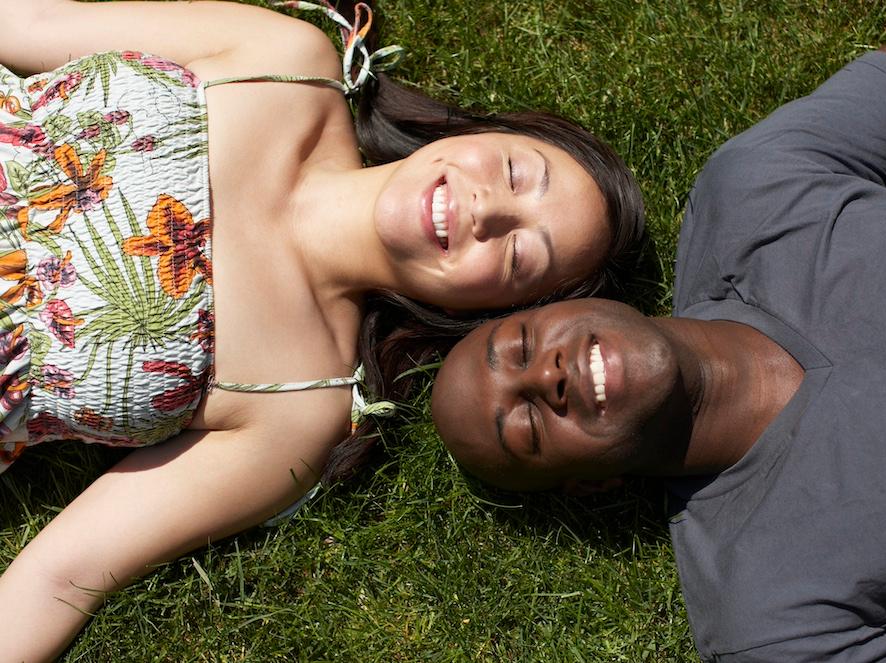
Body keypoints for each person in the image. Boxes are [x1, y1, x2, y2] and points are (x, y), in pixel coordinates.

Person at [0, 0, 645, 659]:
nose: (488, 208)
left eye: (517, 256)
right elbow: (28, 24)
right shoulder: (284, 62)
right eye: (514, 171)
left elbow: (65, 572)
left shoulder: (299, 403)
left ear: (485, 313)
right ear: (479, 133)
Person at [432, 1, 886, 660]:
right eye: (527, 424)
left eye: (523, 346)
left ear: (561, 302)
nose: (546, 376)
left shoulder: (754, 192)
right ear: (590, 484)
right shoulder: (765, 611)